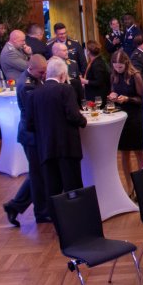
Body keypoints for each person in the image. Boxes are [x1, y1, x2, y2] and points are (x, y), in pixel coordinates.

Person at [27, 57, 87, 195]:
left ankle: (56, 216)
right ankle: (75, 216)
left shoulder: (33, 94)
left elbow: (29, 124)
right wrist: (83, 121)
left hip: (46, 148)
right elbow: (73, 115)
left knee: (52, 190)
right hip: (67, 147)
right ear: (62, 75)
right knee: (73, 188)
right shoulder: (65, 89)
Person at [2, 55, 49, 226]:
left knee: (38, 173)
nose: (44, 75)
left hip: (34, 134)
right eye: (41, 72)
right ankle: (41, 212)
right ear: (31, 67)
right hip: (31, 135)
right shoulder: (26, 85)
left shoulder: (33, 78)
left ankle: (14, 206)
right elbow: (33, 113)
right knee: (37, 176)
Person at [108, 50, 143, 195]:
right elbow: (113, 91)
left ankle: (142, 185)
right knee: (124, 153)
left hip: (135, 117)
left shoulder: (135, 76)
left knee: (138, 152)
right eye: (115, 67)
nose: (118, 69)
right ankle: (129, 186)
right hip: (121, 118)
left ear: (126, 64)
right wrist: (112, 96)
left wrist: (128, 99)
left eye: (120, 67)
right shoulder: (114, 76)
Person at [81, 40, 110, 107]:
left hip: (97, 98)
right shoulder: (94, 61)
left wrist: (85, 81)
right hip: (93, 96)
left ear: (88, 51)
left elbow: (99, 82)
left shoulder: (97, 64)